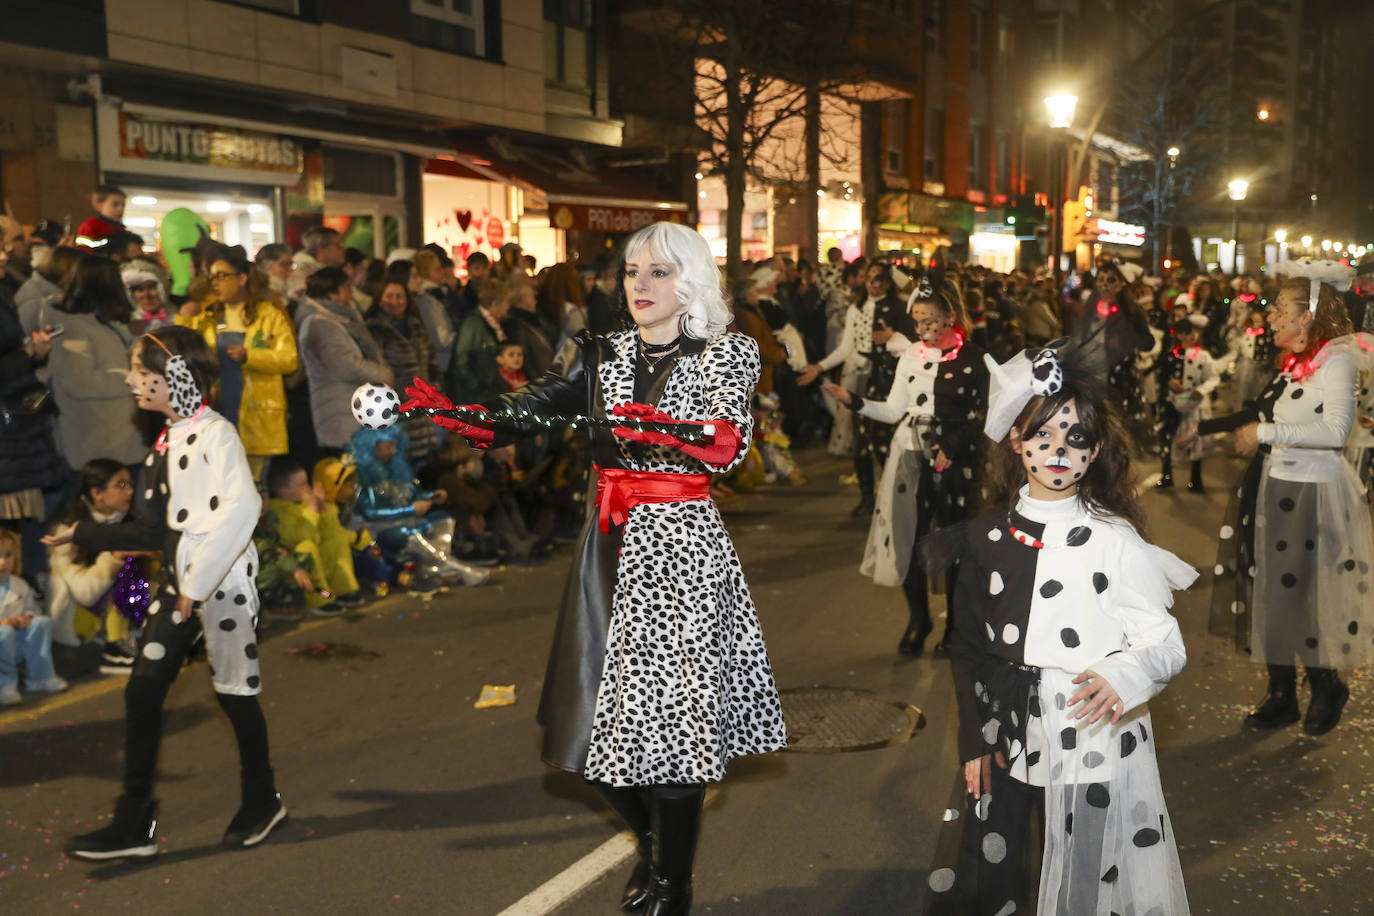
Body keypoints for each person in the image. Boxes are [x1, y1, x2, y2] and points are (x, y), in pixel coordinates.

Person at [402, 220, 787, 914]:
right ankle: (653, 845)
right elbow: (536, 407)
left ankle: (674, 883)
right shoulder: (598, 351)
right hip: (607, 548)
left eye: (659, 273)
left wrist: (663, 429)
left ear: (690, 281)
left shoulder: (726, 355)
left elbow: (728, 445)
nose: (639, 285)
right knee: (583, 730)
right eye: (632, 272)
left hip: (680, 552)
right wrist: (469, 417)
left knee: (674, 732)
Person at [922, 341, 1193, 916]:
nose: (1058, 451)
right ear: (1018, 444)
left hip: (1089, 734)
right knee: (1002, 868)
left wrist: (1124, 672)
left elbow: (1164, 643)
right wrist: (974, 740)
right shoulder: (983, 537)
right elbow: (966, 648)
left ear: (1094, 453)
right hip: (1007, 731)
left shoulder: (1114, 540)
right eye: (1043, 436)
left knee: (1083, 877)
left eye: (1074, 439)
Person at [45, 325, 287, 858]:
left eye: (142, 371)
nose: (130, 380)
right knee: (143, 689)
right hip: (179, 582)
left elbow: (242, 511)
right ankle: (135, 825)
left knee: (234, 692)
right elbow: (154, 531)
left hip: (222, 581)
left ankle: (262, 800)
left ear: (176, 377)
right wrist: (83, 532)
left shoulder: (216, 434)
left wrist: (197, 584)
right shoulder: (165, 440)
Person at [1206, 265, 1374, 735]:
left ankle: (1325, 684)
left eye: (1283, 308)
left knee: (1299, 596)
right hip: (1276, 484)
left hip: (1311, 492)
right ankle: (1281, 693)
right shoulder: (1299, 362)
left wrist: (1265, 432)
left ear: (1309, 317)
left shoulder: (1337, 361)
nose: (1273, 315)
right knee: (1272, 591)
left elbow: (1337, 431)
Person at [824, 271, 988, 657]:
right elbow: (895, 410)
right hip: (909, 454)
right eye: (916, 320)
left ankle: (957, 627)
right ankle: (919, 618)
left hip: (956, 461)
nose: (920, 327)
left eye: (928, 318)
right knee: (908, 539)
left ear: (949, 317)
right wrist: (854, 401)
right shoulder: (910, 357)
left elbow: (984, 415)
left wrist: (954, 442)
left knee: (952, 542)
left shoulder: (975, 358)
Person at [176, 255, 298, 480]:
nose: (215, 282)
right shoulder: (207, 315)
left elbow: (289, 359)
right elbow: (182, 353)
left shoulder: (268, 315)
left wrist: (250, 356)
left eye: (222, 276)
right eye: (211, 277)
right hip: (217, 411)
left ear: (242, 279)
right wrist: (183, 320)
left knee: (253, 484)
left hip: (257, 417)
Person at [46, 255, 146, 473]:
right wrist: (129, 378)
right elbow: (79, 381)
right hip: (100, 445)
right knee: (111, 502)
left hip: (115, 439)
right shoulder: (72, 327)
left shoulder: (97, 322)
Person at [45, 459, 140, 670]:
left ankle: (137, 634)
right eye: (121, 485)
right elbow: (84, 593)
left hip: (111, 611)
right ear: (97, 493)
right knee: (127, 564)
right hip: (80, 620)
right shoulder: (67, 528)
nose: (130, 491)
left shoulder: (128, 520)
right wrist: (114, 557)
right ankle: (114, 644)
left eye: (130, 484)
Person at [294, 266, 393, 456]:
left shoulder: (339, 319)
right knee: (347, 468)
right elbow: (346, 366)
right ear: (333, 293)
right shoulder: (319, 323)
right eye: (347, 287)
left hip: (353, 405)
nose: (351, 292)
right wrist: (384, 374)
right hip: (339, 410)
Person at [265, 461, 366, 614]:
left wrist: (322, 506)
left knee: (337, 541)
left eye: (307, 482)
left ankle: (341, 591)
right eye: (301, 484)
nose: (307, 488)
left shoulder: (303, 503)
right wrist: (312, 509)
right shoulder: (278, 510)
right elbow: (299, 537)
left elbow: (330, 532)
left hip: (318, 564)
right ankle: (320, 600)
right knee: (307, 547)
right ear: (282, 491)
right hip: (292, 568)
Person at [366, 280, 440, 469]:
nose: (395, 301)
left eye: (399, 296)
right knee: (402, 460)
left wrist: (435, 386)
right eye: (389, 296)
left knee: (427, 462)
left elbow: (431, 359)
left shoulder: (416, 326)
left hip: (423, 405)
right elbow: (375, 368)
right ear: (380, 300)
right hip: (396, 406)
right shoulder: (374, 330)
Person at [0, 529, 69, 706]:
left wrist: (27, 617)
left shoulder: (20, 585)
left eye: (8, 556)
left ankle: (40, 677)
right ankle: (5, 685)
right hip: (4, 639)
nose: (3, 562)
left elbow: (33, 608)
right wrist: (4, 622)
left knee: (41, 622)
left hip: (14, 644)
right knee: (4, 632)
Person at [1154, 315, 1217, 492]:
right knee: (1167, 436)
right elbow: (1162, 374)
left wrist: (1201, 391)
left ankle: (1196, 479)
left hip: (1195, 405)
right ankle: (1167, 475)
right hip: (1172, 404)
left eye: (1196, 332)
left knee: (1195, 440)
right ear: (1180, 335)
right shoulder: (1171, 355)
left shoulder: (1203, 356)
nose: (1193, 336)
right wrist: (1169, 383)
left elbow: (1212, 378)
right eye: (1188, 332)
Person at [449, 276, 510, 401]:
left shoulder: (492, 323)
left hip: (489, 393)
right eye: (506, 303)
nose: (508, 307)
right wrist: (477, 387)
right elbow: (461, 361)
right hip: (478, 398)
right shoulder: (472, 324)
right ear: (495, 304)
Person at [122, 261, 171, 336]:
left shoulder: (182, 317)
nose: (146, 295)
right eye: (140, 289)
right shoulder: (127, 327)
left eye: (151, 287)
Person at [75, 184, 126, 249]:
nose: (120, 209)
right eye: (115, 205)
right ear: (98, 206)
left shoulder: (120, 228)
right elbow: (83, 251)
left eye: (123, 205)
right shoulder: (89, 227)